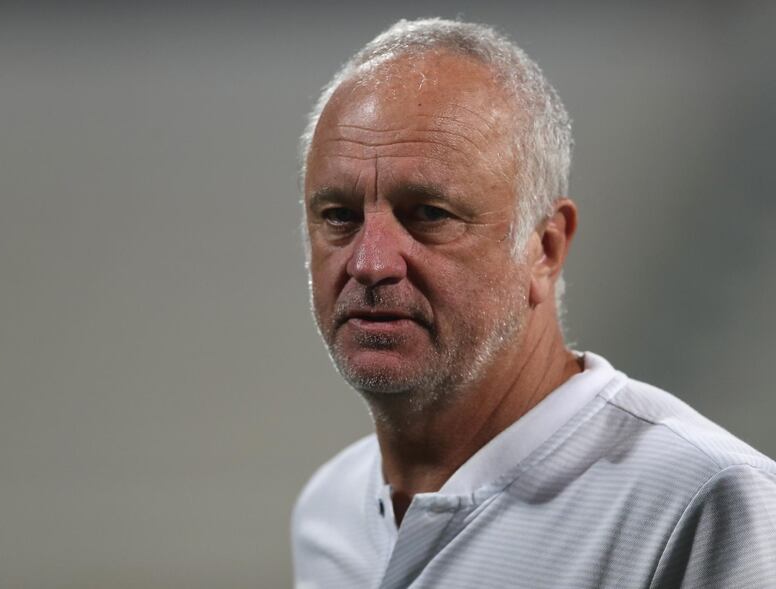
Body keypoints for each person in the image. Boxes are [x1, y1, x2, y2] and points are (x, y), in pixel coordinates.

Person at [291, 17, 776, 589]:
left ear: (545, 247)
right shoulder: (327, 511)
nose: (370, 263)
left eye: (429, 214)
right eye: (339, 216)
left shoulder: (703, 500)